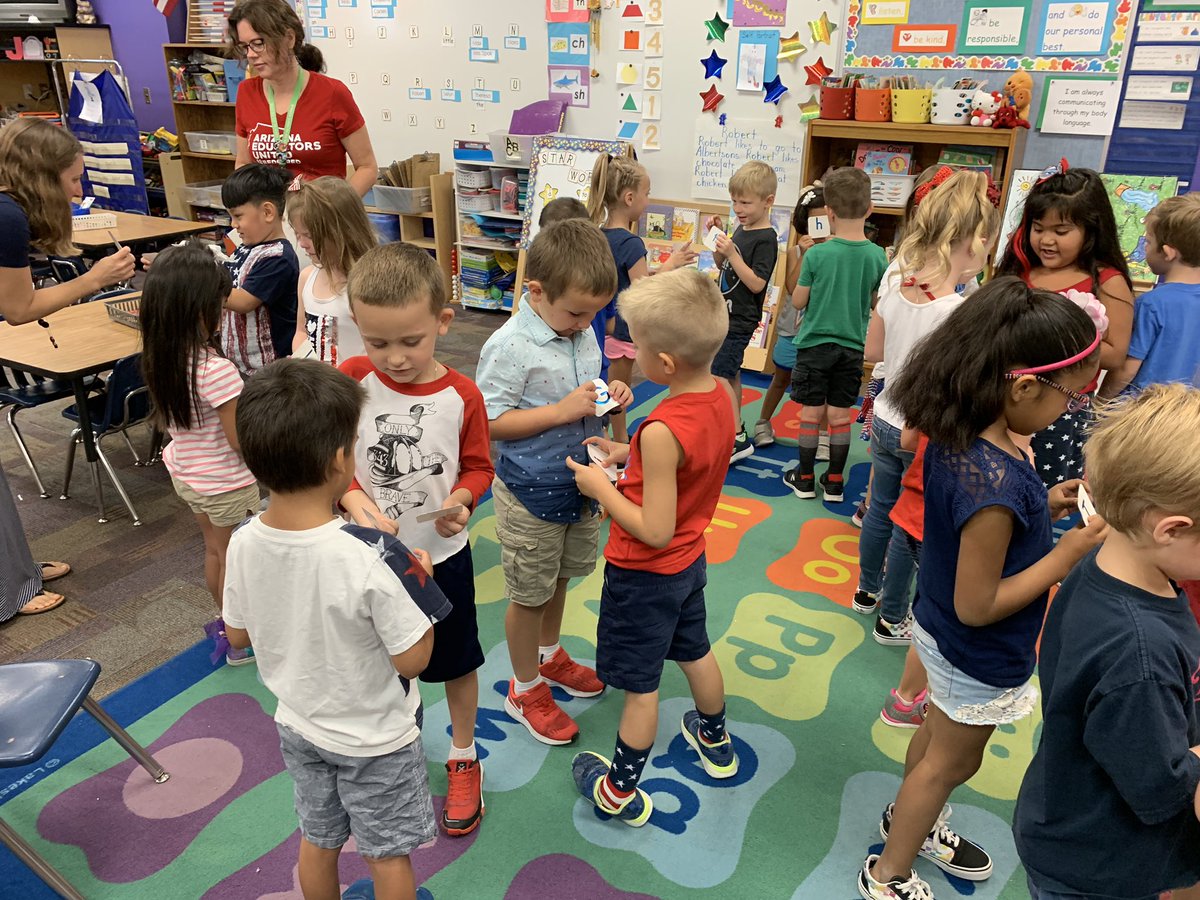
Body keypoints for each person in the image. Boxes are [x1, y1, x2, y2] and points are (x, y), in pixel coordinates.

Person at [856, 277, 1110, 900]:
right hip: (974, 646)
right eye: (1070, 400)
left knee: (937, 743)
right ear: (1024, 386)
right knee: (953, 762)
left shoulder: (969, 440)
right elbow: (980, 604)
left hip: (938, 630)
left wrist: (1043, 505)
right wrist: (1068, 551)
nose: (1070, 411)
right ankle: (888, 873)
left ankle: (909, 819)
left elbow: (982, 537)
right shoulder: (994, 481)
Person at [224, 358, 451, 900]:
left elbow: (236, 637)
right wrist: (418, 581)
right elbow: (414, 660)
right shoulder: (374, 556)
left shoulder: (242, 541)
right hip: (375, 735)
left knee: (319, 837)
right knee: (387, 854)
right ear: (338, 461)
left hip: (300, 725)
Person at [1012, 383, 1200, 900]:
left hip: (1069, 812)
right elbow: (1159, 789)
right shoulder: (1139, 653)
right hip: (1099, 862)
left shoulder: (1106, 563)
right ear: (1171, 529)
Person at [566, 268, 739, 826]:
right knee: (695, 651)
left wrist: (600, 486)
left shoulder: (660, 428)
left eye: (634, 344)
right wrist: (627, 458)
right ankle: (715, 740)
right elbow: (693, 466)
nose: (629, 353)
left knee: (641, 689)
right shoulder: (724, 395)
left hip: (645, 572)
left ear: (664, 362)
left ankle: (617, 791)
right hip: (690, 560)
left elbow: (653, 527)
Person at [338, 243, 493, 838]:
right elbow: (329, 458)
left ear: (442, 323)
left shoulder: (463, 397)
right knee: (380, 665)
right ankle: (391, 754)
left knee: (455, 662)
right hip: (365, 560)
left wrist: (462, 502)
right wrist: (352, 496)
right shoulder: (351, 379)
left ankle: (462, 755)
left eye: (410, 341)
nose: (394, 358)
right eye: (377, 342)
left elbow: (479, 467)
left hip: (442, 560)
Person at [476, 220, 632, 746]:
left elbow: (586, 390)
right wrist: (559, 410)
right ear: (536, 292)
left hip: (578, 483)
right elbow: (488, 422)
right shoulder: (510, 344)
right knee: (528, 592)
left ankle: (549, 655)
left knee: (561, 578)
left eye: (595, 313)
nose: (588, 323)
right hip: (528, 492)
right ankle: (523, 687)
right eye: (578, 312)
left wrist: (609, 396)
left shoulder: (579, 329)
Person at [854, 169, 999, 645]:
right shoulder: (957, 312)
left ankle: (865, 591)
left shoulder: (896, 281)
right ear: (972, 242)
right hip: (923, 430)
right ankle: (893, 618)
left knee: (879, 508)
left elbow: (873, 350)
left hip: (885, 417)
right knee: (908, 523)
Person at [0, 117, 134, 617]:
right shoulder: (7, 217)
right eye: (73, 179)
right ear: (43, 176)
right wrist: (95, 278)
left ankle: (19, 572)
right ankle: (8, 595)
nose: (79, 190)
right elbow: (19, 308)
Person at [140, 242, 260, 666]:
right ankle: (240, 639)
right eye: (218, 305)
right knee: (236, 561)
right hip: (225, 480)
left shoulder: (162, 355)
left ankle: (228, 624)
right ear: (199, 312)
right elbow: (239, 440)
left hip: (189, 473)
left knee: (215, 551)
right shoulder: (216, 370)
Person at [996, 163, 1135, 487]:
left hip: (1060, 411)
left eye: (1061, 232)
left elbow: (1115, 354)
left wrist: (1050, 341)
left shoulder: (1106, 281)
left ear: (1091, 230)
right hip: (1002, 401)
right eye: (1038, 228)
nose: (1046, 240)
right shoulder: (1019, 272)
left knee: (1043, 492)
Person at [784, 167, 887, 503]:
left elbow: (798, 300)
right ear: (870, 209)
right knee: (840, 417)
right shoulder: (877, 256)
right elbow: (876, 303)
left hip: (814, 345)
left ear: (828, 213)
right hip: (852, 348)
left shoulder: (817, 253)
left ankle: (803, 478)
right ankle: (835, 482)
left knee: (811, 416)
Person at [588, 150, 695, 442]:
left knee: (603, 384)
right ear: (629, 198)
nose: (648, 201)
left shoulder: (597, 234)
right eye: (647, 194)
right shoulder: (632, 244)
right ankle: (620, 440)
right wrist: (670, 267)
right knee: (618, 390)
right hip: (621, 328)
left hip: (597, 323)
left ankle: (607, 433)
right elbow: (642, 290)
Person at [229, 0, 378, 195]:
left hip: (320, 217)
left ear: (289, 38)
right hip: (270, 219)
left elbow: (367, 168)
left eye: (258, 44)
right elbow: (243, 163)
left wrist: (335, 211)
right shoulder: (247, 92)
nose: (250, 54)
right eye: (244, 46)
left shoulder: (332, 93)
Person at [704, 160, 779, 462]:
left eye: (745, 202)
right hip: (724, 313)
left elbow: (757, 283)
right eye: (735, 201)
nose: (739, 208)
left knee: (718, 374)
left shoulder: (766, 238)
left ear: (768, 202)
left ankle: (735, 437)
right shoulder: (742, 228)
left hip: (740, 319)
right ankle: (734, 431)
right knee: (729, 373)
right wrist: (718, 241)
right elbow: (722, 266)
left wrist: (733, 253)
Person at [1100, 193, 1200, 399]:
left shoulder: (1151, 304)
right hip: (1187, 417)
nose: (1145, 247)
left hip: (1139, 414)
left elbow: (1126, 369)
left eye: (1148, 241)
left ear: (1168, 252)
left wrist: (1098, 404)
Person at [753, 184, 827, 449]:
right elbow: (792, 288)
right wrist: (806, 254)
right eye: (814, 221)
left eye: (825, 221)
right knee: (781, 376)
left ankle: (823, 433)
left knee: (821, 385)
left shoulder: (837, 252)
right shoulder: (797, 250)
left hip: (821, 330)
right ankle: (762, 421)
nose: (820, 227)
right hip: (793, 328)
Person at [287, 175, 378, 365]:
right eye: (298, 234)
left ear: (344, 231)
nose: (302, 244)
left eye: (309, 236)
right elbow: (302, 331)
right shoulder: (306, 277)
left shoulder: (370, 285)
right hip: (319, 386)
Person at [219, 164, 299, 375]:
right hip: (242, 366)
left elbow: (243, 301)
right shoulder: (245, 249)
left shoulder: (278, 257)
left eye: (238, 216)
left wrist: (197, 277)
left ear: (267, 212)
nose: (233, 224)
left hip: (270, 372)